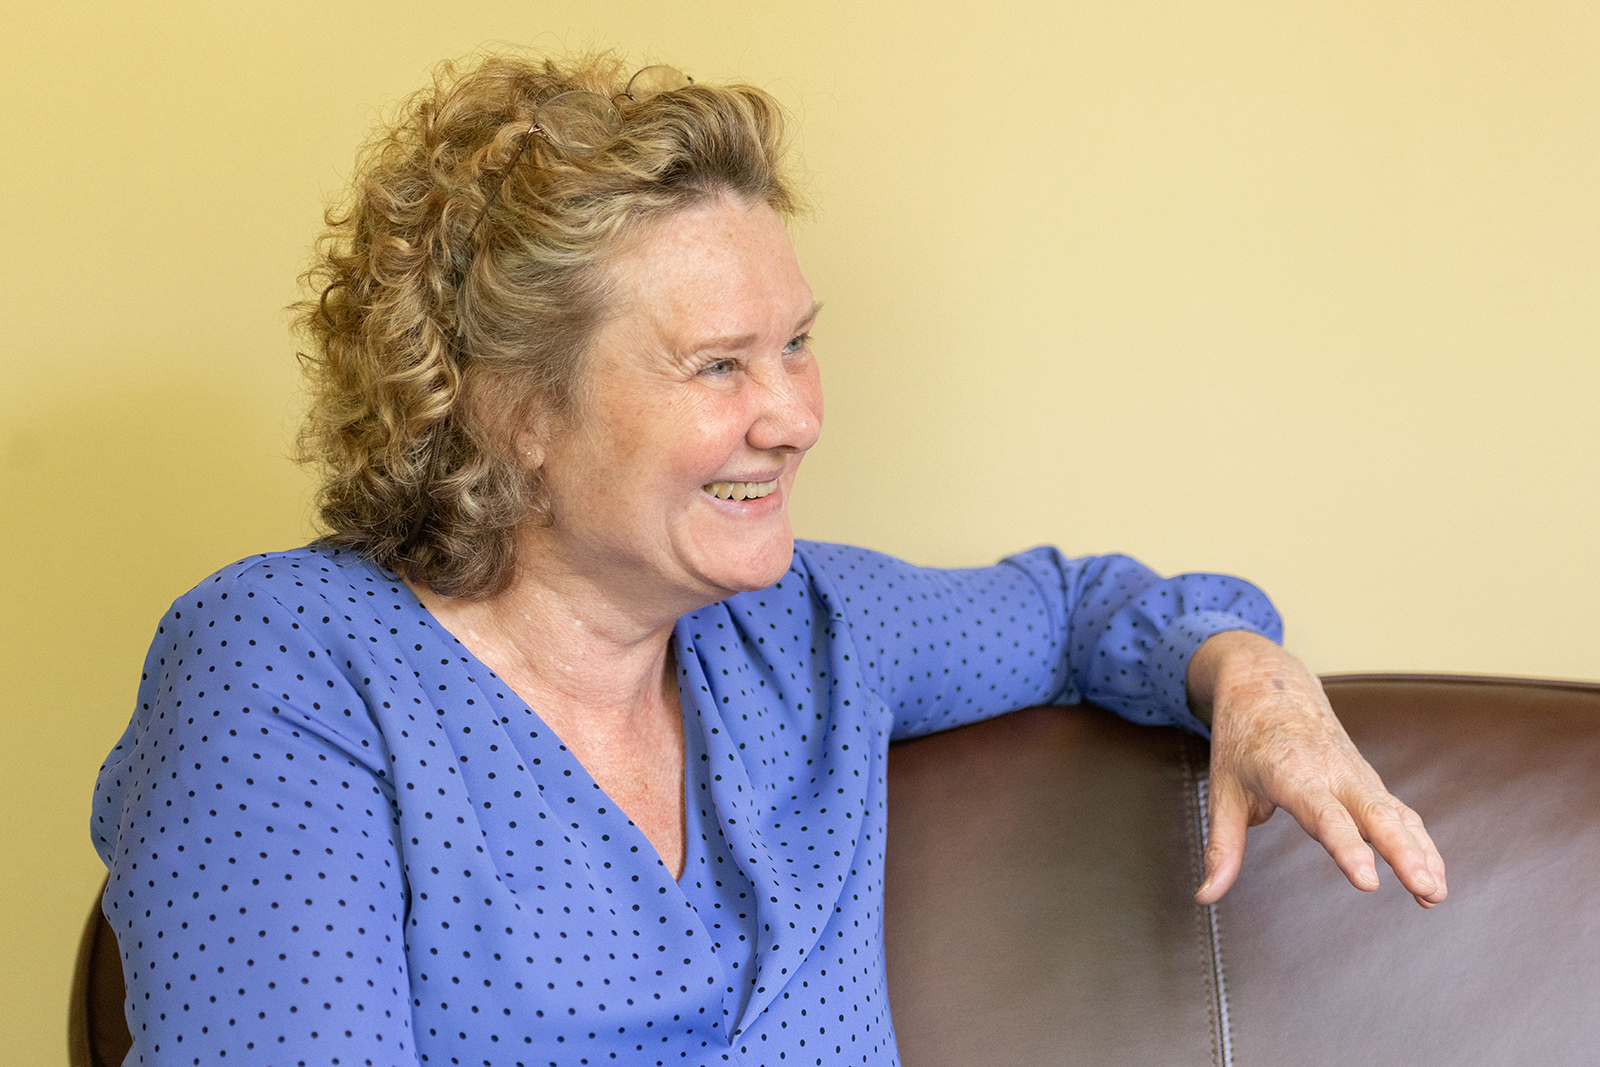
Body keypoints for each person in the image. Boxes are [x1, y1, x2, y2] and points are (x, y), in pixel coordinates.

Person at [92, 52, 1445, 1067]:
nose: (793, 415)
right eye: (718, 365)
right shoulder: (288, 667)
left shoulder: (806, 628)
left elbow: (1086, 610)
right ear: (512, 409)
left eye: (795, 343)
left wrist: (1251, 680)